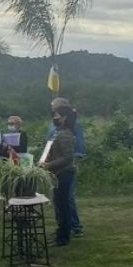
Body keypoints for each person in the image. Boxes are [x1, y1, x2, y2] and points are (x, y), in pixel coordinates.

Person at [47, 98, 85, 237]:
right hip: (55, 168)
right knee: (58, 199)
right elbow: (50, 144)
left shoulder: (73, 127)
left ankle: (74, 226)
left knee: (67, 198)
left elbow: (76, 147)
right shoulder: (52, 127)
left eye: (55, 109)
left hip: (66, 168)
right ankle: (62, 226)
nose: (53, 113)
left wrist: (75, 160)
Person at [42, 105, 77, 247]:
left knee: (63, 205)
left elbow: (68, 157)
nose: (54, 118)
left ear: (64, 117)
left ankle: (64, 236)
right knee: (58, 204)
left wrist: (49, 165)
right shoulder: (59, 132)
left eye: (57, 115)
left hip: (64, 173)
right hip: (57, 174)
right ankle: (60, 231)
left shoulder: (66, 134)